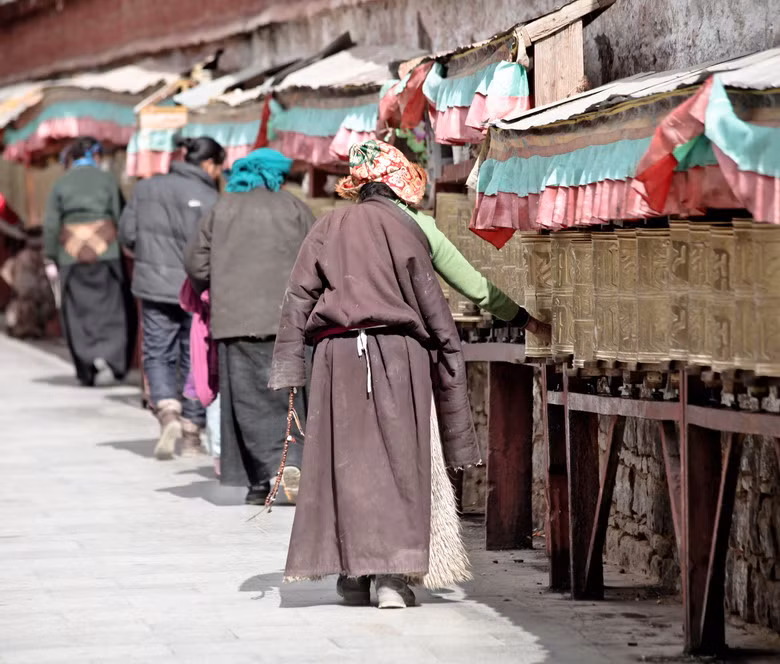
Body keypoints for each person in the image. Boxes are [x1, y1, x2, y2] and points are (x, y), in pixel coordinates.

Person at [267, 139, 488, 610]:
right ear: (397, 185)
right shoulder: (409, 227)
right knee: (400, 465)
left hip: (336, 360)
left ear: (360, 187)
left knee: (345, 464)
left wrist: (290, 366)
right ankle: (390, 579)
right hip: (400, 356)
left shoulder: (327, 226)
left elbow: (298, 296)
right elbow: (432, 300)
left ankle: (352, 576)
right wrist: (450, 353)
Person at [185, 148, 316, 505]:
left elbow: (196, 263)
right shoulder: (295, 207)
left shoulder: (222, 208)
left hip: (235, 322)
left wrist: (214, 291)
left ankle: (260, 481)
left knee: (245, 404)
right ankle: (291, 464)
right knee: (289, 397)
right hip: (289, 321)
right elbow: (318, 259)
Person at [119, 136, 225, 459]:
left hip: (153, 285)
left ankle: (167, 412)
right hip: (195, 289)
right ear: (209, 164)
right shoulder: (211, 197)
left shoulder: (145, 189)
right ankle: (192, 431)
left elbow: (127, 235)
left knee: (156, 351)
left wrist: (151, 258)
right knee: (194, 355)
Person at [43, 137, 134, 386]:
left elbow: (51, 225)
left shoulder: (60, 184)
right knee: (114, 308)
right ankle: (115, 362)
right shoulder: (107, 180)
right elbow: (121, 215)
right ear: (96, 156)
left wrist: (50, 256)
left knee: (77, 312)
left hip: (70, 256)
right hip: (107, 253)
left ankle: (86, 368)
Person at [2, 227, 56, 339]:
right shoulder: (30, 257)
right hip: (29, 297)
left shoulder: (38, 258)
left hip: (33, 297)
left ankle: (28, 328)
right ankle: (26, 328)